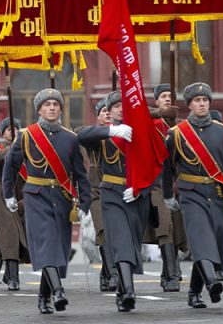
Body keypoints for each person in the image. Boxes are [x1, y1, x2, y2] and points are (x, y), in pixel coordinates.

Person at [3, 88, 90, 315]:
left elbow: (80, 174)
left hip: (62, 197)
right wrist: (9, 194)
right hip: (36, 196)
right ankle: (58, 291)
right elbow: (11, 166)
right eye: (47, 105)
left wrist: (85, 203)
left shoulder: (71, 138)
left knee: (57, 248)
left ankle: (43, 296)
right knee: (47, 243)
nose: (52, 108)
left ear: (60, 108)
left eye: (55, 104)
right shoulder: (27, 135)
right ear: (39, 110)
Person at [163, 82, 223, 309]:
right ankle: (212, 281)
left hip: (217, 194)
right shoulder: (176, 134)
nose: (202, 104)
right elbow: (167, 168)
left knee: (215, 240)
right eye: (197, 100)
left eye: (205, 100)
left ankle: (194, 292)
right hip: (191, 194)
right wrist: (168, 195)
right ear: (189, 105)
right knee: (200, 238)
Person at [78, 90, 151, 312]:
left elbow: (155, 165)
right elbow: (79, 134)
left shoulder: (141, 132)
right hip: (111, 194)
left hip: (136, 195)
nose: (120, 109)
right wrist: (111, 130)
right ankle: (129, 291)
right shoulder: (102, 136)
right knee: (119, 240)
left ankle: (122, 288)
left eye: (124, 105)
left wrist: (141, 188)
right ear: (108, 112)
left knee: (132, 243)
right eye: (116, 106)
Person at [146, 83, 186, 291]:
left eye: (170, 96)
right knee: (164, 226)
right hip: (157, 183)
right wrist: (161, 113)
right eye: (163, 96)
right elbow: (133, 116)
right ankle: (171, 275)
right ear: (156, 101)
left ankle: (170, 271)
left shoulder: (182, 125)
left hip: (179, 183)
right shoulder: (151, 123)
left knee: (178, 228)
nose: (167, 99)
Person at [0, 117, 29, 291]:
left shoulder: (28, 149)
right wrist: (10, 150)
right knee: (10, 236)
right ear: (2, 133)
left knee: (24, 238)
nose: (12, 131)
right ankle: (14, 278)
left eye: (15, 129)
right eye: (8, 129)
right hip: (4, 196)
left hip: (24, 196)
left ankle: (9, 273)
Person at [81, 100, 118, 292]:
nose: (108, 114)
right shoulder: (93, 135)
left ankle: (106, 272)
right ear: (98, 116)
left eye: (110, 110)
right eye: (104, 111)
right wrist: (109, 131)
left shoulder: (123, 133)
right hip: (96, 191)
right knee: (102, 230)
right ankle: (112, 274)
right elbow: (81, 133)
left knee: (115, 232)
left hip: (117, 188)